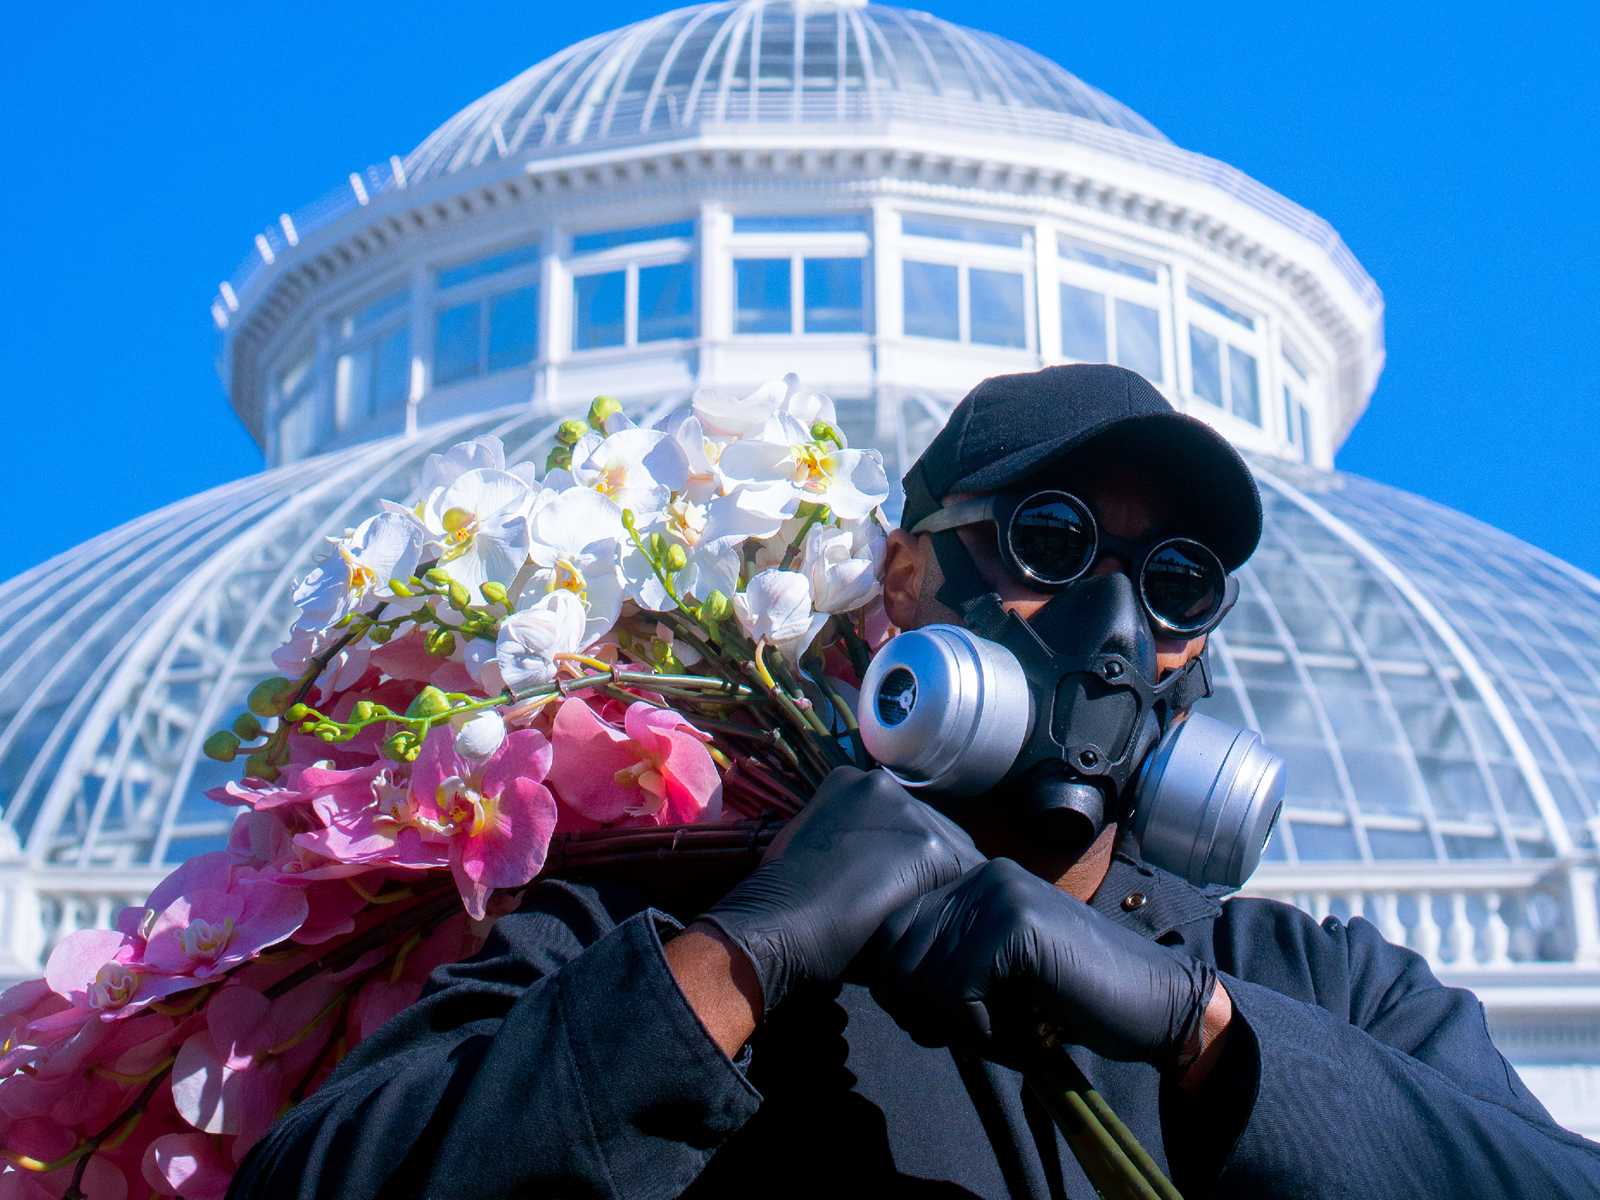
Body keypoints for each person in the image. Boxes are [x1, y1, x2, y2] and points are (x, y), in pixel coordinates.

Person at [229, 365, 1600, 1199]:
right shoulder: (658, 918)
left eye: (1175, 584)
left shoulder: (1318, 986)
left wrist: (1207, 1036)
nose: (1113, 629)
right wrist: (742, 958)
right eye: (1047, 544)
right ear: (905, 578)